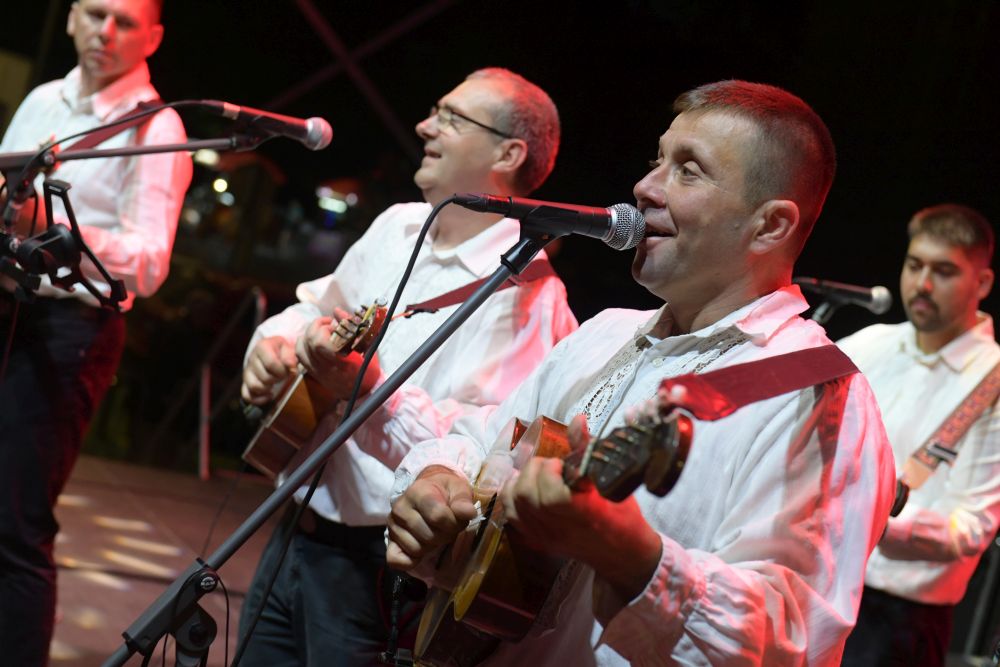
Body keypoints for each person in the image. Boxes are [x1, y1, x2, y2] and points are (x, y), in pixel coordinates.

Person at [387, 80, 898, 665]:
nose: (645, 186)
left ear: (770, 227)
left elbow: (790, 638)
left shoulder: (816, 394)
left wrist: (632, 557)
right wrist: (440, 479)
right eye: (657, 161)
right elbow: (484, 438)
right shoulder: (605, 331)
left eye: (688, 171)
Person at [237, 67, 578, 665]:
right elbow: (315, 309)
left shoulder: (530, 297)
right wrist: (275, 347)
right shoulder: (398, 226)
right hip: (295, 526)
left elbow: (486, 463)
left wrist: (371, 395)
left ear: (507, 154)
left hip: (380, 569)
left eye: (451, 118)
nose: (424, 126)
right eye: (434, 111)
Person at [0, 1, 191, 664]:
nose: (105, 31)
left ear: (153, 38)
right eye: (94, 12)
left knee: (15, 523)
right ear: (72, 17)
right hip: (11, 307)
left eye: (125, 21)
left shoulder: (158, 127)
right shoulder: (43, 99)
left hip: (71, 328)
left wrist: (49, 230)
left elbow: (149, 263)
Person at [839, 204, 999, 666]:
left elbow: (972, 528)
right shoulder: (871, 343)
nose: (922, 284)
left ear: (982, 283)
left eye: (943, 271)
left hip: (897, 623)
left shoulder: (992, 382)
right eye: (915, 265)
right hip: (819, 580)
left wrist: (876, 519)